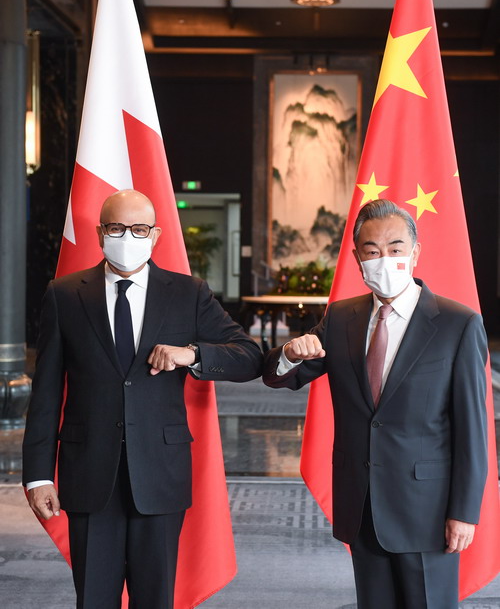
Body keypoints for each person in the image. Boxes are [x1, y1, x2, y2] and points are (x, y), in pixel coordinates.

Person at [23, 189, 263, 609]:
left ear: (155, 235)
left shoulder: (187, 293)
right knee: (93, 599)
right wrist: (38, 476)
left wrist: (192, 355)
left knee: (155, 599)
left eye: (138, 229)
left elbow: (249, 357)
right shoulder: (64, 294)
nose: (127, 237)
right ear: (100, 233)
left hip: (160, 474)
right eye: (117, 228)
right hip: (89, 475)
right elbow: (45, 391)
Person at [263, 199, 488, 609]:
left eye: (395, 248)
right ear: (357, 259)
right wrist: (290, 354)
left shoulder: (459, 324)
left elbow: (473, 429)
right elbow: (282, 376)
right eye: (372, 251)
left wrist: (465, 511)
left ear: (415, 253)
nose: (384, 260)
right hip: (363, 504)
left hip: (428, 510)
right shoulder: (340, 318)